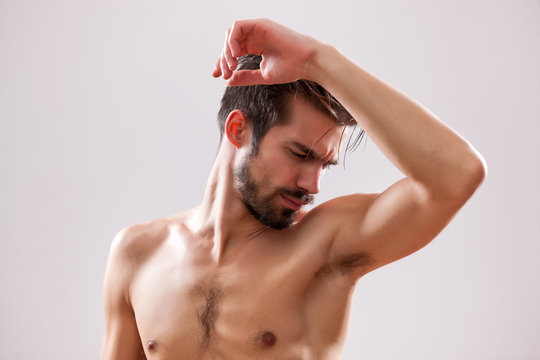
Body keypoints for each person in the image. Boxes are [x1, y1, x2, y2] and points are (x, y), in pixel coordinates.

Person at [100, 18, 486, 360]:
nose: (313, 184)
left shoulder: (325, 247)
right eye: (300, 153)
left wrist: (319, 60)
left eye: (323, 164)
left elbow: (457, 175)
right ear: (239, 130)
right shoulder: (137, 253)